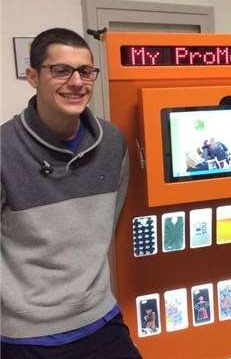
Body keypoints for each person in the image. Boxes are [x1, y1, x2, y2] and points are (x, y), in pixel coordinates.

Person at [1, 28, 141, 358]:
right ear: (33, 76)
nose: (76, 82)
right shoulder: (4, 150)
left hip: (100, 320)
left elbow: (108, 224)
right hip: (26, 337)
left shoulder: (112, 143)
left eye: (85, 71)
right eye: (61, 70)